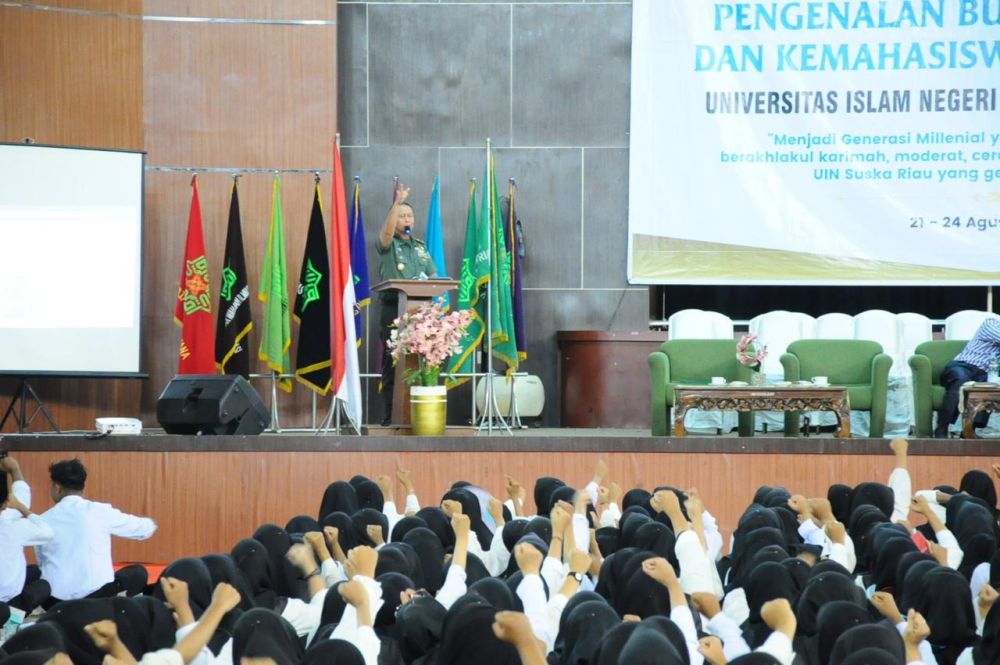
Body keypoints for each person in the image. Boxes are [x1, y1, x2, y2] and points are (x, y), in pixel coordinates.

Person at [36, 458, 157, 604]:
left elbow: (42, 562)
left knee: (33, 574)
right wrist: (152, 523)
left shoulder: (41, 520)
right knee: (138, 572)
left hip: (55, 602)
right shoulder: (100, 511)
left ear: (57, 487)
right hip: (98, 599)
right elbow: (145, 530)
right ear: (84, 486)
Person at [376, 185, 437, 426]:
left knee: (422, 362)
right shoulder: (389, 245)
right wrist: (397, 203)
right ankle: (391, 416)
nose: (406, 219)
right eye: (402, 215)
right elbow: (385, 234)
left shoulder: (420, 247)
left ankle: (418, 415)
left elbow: (433, 276)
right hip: (395, 311)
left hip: (420, 314)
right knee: (393, 364)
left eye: (409, 215)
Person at [0, 454, 54, 617]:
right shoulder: (12, 525)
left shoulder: (10, 521)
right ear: (5, 502)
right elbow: (47, 532)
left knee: (34, 571)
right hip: (8, 603)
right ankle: (11, 619)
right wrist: (15, 470)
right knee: (43, 584)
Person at [935, 317, 1000, 438]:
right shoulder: (991, 323)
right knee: (961, 380)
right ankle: (942, 427)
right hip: (963, 365)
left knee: (989, 388)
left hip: (984, 372)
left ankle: (969, 430)